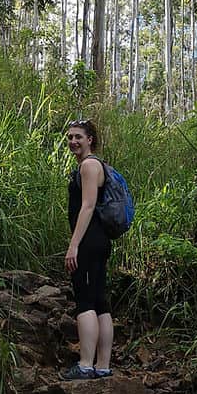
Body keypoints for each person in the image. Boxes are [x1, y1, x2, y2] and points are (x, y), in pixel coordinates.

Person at [61, 119, 114, 380]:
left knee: (85, 300)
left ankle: (85, 365)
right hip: (99, 241)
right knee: (99, 302)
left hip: (89, 241)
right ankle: (102, 366)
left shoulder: (89, 166)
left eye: (78, 137)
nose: (73, 141)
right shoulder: (95, 165)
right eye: (70, 137)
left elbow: (88, 206)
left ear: (90, 139)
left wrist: (74, 245)